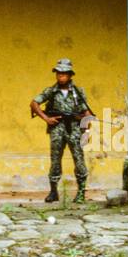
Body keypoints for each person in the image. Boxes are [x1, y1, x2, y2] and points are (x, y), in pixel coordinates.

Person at [30, 58, 93, 203]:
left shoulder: (78, 92)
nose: (61, 76)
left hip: (74, 129)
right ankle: (53, 192)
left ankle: (81, 192)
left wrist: (87, 132)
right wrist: (46, 118)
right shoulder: (51, 91)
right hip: (57, 128)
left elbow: (87, 113)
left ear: (70, 75)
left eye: (64, 73)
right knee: (55, 160)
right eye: (58, 73)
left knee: (79, 160)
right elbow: (34, 103)